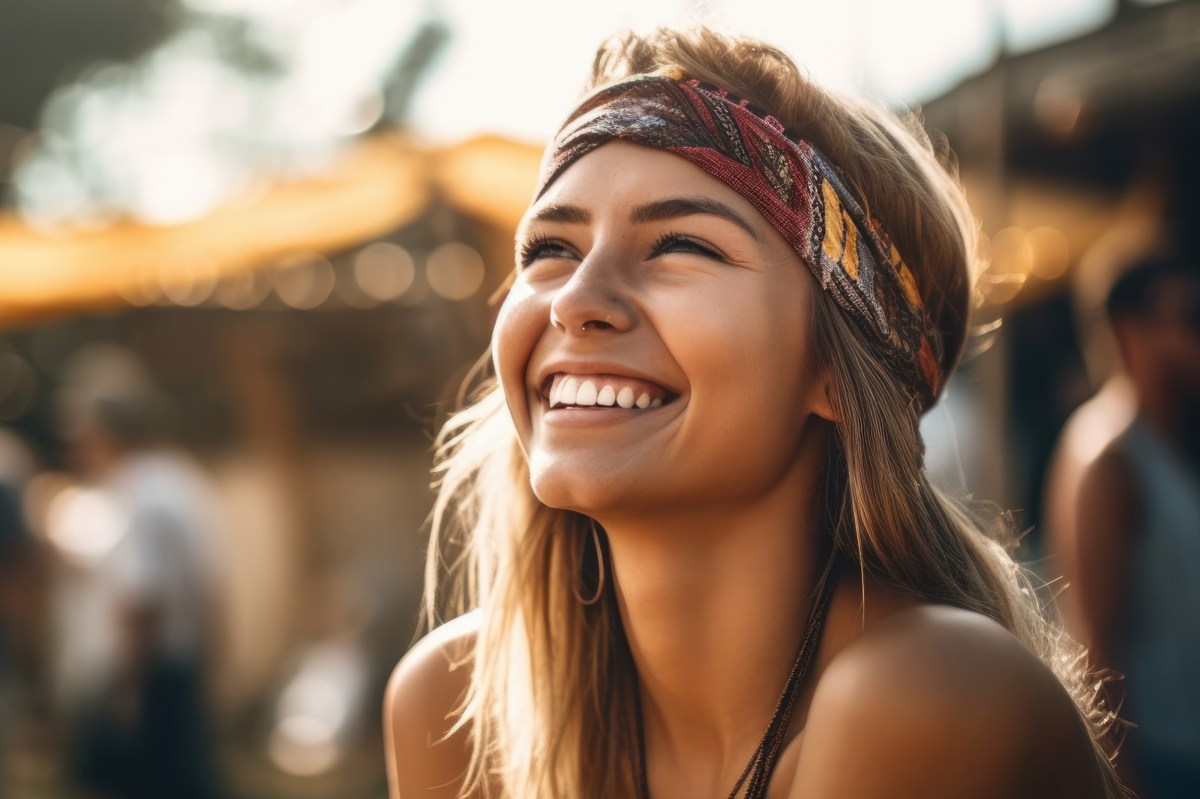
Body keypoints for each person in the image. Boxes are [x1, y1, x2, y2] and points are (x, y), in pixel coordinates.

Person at [385, 27, 1124, 799]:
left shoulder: (927, 695)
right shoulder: (455, 706)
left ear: (837, 370)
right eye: (549, 250)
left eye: (679, 245)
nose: (574, 300)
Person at [1052, 254, 1200, 797]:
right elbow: (1097, 652)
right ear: (1130, 330)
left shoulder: (1166, 442)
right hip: (1159, 769)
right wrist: (1124, 784)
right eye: (1189, 316)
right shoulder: (1110, 458)